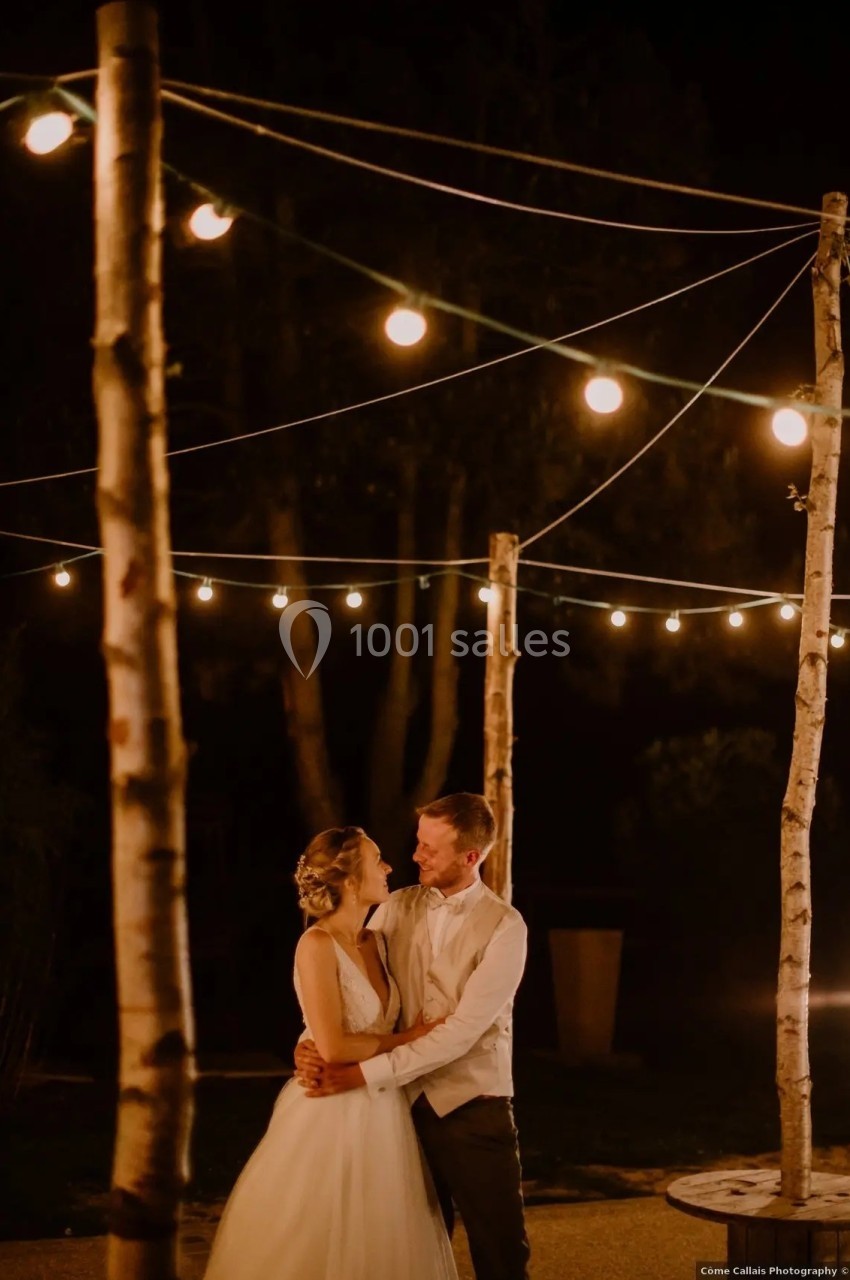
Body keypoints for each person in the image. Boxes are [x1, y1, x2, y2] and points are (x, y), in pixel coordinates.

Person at [204, 825, 458, 1280]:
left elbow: (362, 1028)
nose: (389, 867)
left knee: (381, 1237)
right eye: (376, 859)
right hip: (331, 1110)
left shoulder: (376, 941)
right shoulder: (315, 944)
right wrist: (412, 1037)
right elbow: (335, 1046)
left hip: (385, 1109)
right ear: (351, 881)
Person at [296, 794, 530, 1280]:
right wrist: (311, 1043)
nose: (415, 856)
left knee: (502, 1252)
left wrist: (359, 1073)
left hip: (472, 1107)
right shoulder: (393, 908)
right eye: (418, 843)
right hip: (395, 1111)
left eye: (430, 848)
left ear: (471, 857)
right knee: (414, 1251)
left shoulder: (506, 928)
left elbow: (461, 1034)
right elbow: (347, 984)